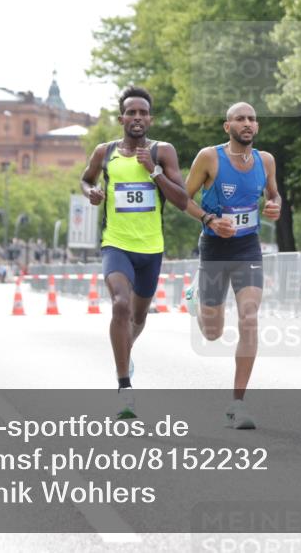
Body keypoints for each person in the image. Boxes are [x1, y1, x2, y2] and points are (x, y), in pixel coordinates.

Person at [80, 86, 188, 419]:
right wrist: (92, 192)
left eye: (143, 113)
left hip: (151, 249)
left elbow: (182, 199)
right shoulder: (105, 151)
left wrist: (154, 172)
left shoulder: (163, 152)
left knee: (138, 318)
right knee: (120, 305)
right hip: (116, 244)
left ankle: (124, 354)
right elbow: (85, 180)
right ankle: (124, 386)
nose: (137, 118)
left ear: (150, 118)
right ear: (122, 117)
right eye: (131, 112)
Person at [181, 102, 281, 429]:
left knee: (249, 317)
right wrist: (209, 218)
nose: (247, 123)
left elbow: (274, 196)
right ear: (228, 127)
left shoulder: (266, 161)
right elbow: (184, 197)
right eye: (240, 119)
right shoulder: (209, 157)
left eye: (252, 118)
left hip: (247, 247)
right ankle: (197, 299)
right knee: (212, 333)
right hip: (214, 246)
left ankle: (237, 403)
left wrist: (274, 206)